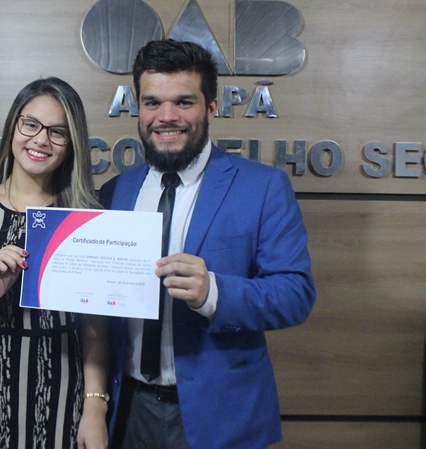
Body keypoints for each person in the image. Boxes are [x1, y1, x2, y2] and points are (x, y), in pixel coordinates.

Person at [98, 39, 316, 448]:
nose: (166, 117)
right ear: (138, 108)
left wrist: (215, 293)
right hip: (127, 411)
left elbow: (295, 294)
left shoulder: (262, 187)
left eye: (184, 102)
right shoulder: (114, 192)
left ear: (211, 108)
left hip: (223, 416)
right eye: (152, 103)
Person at [0, 77, 109, 449]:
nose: (41, 140)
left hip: (61, 395)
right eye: (31, 125)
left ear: (71, 144)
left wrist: (95, 408)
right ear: (14, 125)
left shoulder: (84, 217)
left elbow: (95, 328)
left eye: (57, 132)